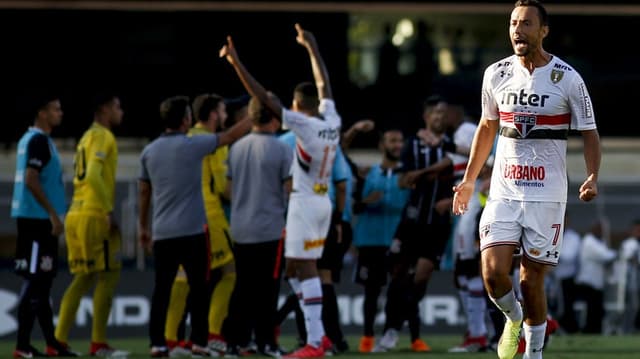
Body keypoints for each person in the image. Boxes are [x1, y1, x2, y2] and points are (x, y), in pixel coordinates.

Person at [452, 1, 601, 358]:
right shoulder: (496, 74)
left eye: (527, 24)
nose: (518, 30)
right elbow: (488, 126)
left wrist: (593, 176)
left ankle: (533, 354)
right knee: (492, 273)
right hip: (503, 190)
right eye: (513, 23)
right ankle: (513, 319)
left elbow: (590, 133)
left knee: (530, 280)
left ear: (543, 30)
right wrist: (471, 179)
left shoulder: (567, 78)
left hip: (546, 194)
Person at [219, 23, 341, 358]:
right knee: (291, 270)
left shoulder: (303, 123)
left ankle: (316, 341)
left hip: (304, 204)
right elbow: (324, 84)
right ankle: (317, 336)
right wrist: (312, 49)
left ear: (297, 105)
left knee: (304, 269)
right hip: (321, 202)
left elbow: (264, 98)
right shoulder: (332, 120)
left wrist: (236, 63)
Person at [138, 95, 251, 357]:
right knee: (201, 287)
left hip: (163, 232)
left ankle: (159, 343)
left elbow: (144, 192)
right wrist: (254, 116)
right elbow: (229, 137)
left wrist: (143, 227)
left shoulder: (149, 151)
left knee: (162, 289)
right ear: (186, 119)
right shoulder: (194, 145)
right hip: (193, 231)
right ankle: (202, 341)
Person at [375, 96, 455, 353]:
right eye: (435, 113)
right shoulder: (413, 145)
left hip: (437, 226)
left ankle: (396, 330)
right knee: (398, 279)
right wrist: (431, 170)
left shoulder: (454, 146)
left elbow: (475, 171)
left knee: (419, 280)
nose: (440, 117)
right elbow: (403, 180)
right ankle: (391, 331)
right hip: (411, 222)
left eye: (443, 113)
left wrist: (451, 197)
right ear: (426, 116)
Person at [163, 93, 237, 356]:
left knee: (183, 278)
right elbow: (222, 187)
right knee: (230, 271)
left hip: (180, 213)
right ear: (214, 115)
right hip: (210, 215)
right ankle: (214, 333)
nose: (226, 117)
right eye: (223, 111)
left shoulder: (185, 137)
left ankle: (171, 338)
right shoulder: (212, 142)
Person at [53, 94, 127, 358]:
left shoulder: (85, 137)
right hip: (95, 214)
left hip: (76, 212)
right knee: (108, 275)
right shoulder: (104, 136)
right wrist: (108, 209)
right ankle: (98, 344)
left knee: (83, 279)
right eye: (117, 107)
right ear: (104, 109)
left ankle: (58, 340)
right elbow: (94, 174)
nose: (121, 111)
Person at [221, 93, 293, 357]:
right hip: (270, 228)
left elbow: (227, 190)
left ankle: (235, 342)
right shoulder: (282, 148)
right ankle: (267, 343)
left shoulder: (236, 148)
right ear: (274, 117)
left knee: (242, 287)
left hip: (240, 227)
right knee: (268, 289)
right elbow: (290, 188)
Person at [10, 93, 77, 358]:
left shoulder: (34, 140)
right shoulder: (38, 140)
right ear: (42, 113)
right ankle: (22, 346)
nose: (60, 113)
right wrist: (53, 215)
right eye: (55, 109)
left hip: (36, 220)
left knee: (43, 283)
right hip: (37, 221)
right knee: (36, 280)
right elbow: (30, 179)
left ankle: (52, 343)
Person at [351, 128, 410, 353]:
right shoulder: (367, 174)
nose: (397, 145)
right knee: (371, 292)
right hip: (370, 240)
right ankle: (367, 338)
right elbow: (353, 205)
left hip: (397, 240)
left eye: (400, 140)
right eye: (392, 139)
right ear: (381, 146)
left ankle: (390, 333)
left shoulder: (407, 175)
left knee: (398, 290)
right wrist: (367, 201)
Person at [574, 221, 616, 334]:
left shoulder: (599, 242)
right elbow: (605, 256)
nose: (602, 232)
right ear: (594, 229)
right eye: (600, 230)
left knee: (598, 310)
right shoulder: (589, 242)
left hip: (596, 284)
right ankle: (589, 331)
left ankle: (595, 330)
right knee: (593, 310)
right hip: (588, 283)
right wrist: (616, 254)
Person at [553, 214, 582, 333]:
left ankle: (569, 329)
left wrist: (553, 256)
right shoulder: (552, 233)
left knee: (567, 306)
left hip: (568, 278)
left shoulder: (573, 237)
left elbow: (569, 256)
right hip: (552, 278)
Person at [619, 219, 640, 333]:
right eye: (637, 230)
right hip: (631, 282)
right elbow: (629, 258)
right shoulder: (629, 243)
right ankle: (627, 329)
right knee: (632, 306)